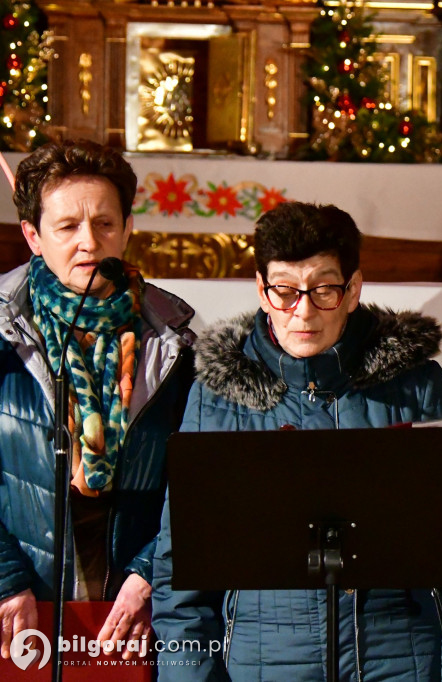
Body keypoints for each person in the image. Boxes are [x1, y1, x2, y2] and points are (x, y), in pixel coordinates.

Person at [151, 201, 442, 680]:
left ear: (353, 289)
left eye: (323, 291)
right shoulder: (217, 396)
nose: (303, 312)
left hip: (400, 659)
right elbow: (180, 576)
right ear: (261, 290)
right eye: (284, 291)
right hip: (263, 662)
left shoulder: (415, 387)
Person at [0, 139, 195, 660]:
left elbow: (197, 485)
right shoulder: (4, 334)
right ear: (33, 236)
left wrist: (150, 574)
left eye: (105, 224)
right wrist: (5, 579)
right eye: (67, 226)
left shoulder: (175, 344)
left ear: (127, 228)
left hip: (130, 601)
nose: (89, 242)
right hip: (20, 600)